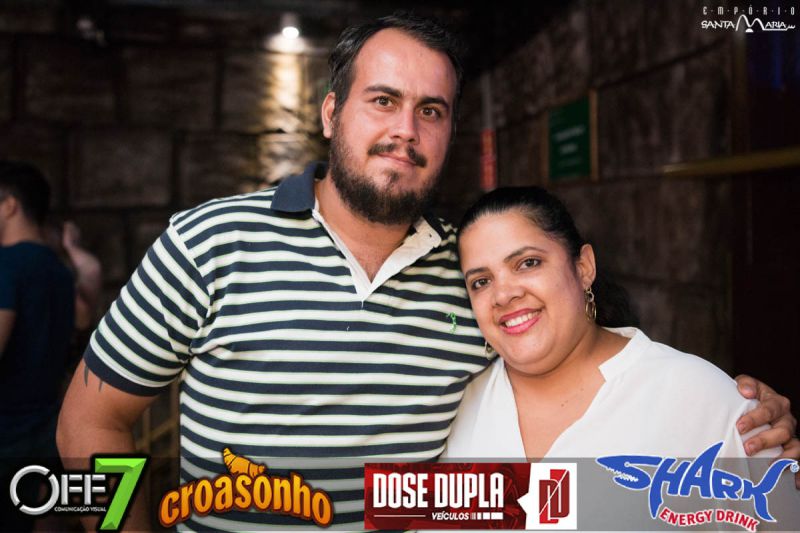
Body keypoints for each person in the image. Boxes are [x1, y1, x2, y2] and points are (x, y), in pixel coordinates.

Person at [56, 12, 797, 532]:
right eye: (383, 101)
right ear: (331, 112)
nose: (405, 131)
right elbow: (88, 422)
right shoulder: (208, 241)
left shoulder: (472, 274)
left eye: (431, 111)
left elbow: (578, 374)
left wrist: (731, 428)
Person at [448, 186, 796, 463]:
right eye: (481, 281)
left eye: (528, 263)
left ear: (584, 267)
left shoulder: (701, 398)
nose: (503, 294)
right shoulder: (453, 406)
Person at [0, 161, 75, 532]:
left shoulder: (6, 265)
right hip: (47, 428)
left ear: (9, 205)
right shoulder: (60, 271)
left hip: (7, 432)